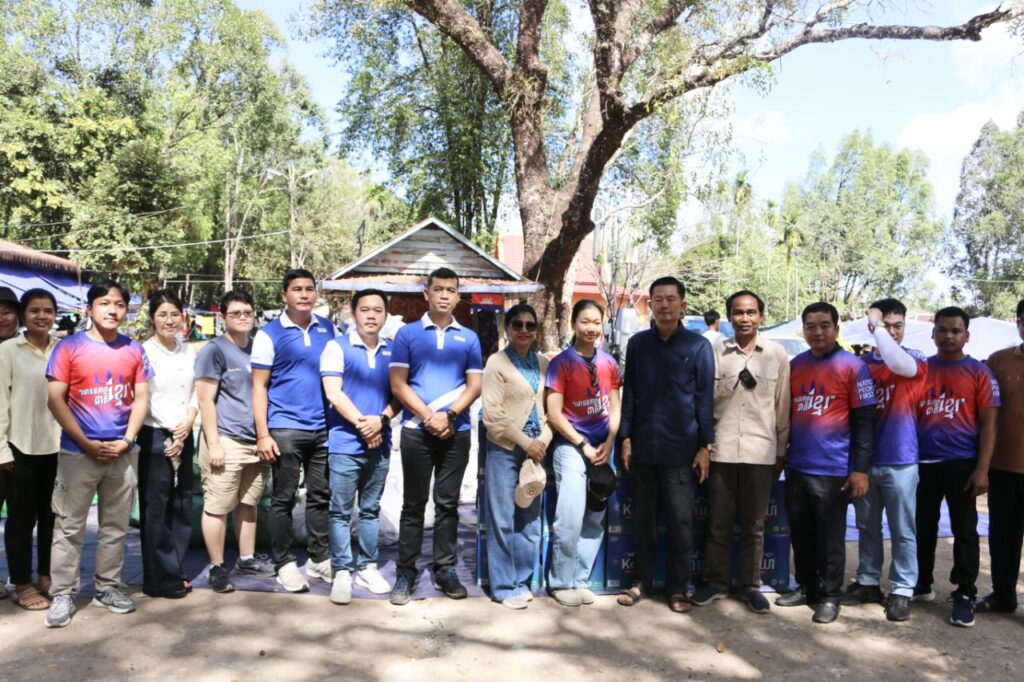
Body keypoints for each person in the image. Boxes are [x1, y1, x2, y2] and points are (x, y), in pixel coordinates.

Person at [44, 280, 153, 628]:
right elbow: (55, 400)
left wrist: (127, 440)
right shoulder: (68, 348)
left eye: (119, 304)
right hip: (78, 453)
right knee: (68, 526)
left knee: (115, 526)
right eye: (105, 303)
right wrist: (87, 443)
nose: (112, 310)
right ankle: (63, 593)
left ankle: (107, 587)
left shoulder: (134, 350)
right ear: (89, 309)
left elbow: (141, 398)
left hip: (122, 453)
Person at [617, 278, 713, 614]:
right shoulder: (638, 344)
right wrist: (626, 437)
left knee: (680, 524)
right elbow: (630, 393)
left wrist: (705, 446)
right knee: (643, 522)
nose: (664, 305)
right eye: (658, 299)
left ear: (682, 304)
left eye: (671, 299)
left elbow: (704, 400)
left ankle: (677, 588)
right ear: (651, 305)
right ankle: (641, 581)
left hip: (681, 451)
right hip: (643, 447)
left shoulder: (699, 346)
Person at [388, 267, 483, 605]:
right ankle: (406, 572)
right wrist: (429, 417)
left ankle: (445, 569)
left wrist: (450, 416)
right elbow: (398, 384)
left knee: (447, 504)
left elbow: (475, 385)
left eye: (451, 290)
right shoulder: (407, 335)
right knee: (413, 504)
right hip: (416, 431)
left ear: (458, 296)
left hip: (457, 433)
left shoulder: (469, 338)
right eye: (438, 289)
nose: (445, 295)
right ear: (426, 293)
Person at [776, 301, 874, 624]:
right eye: (810, 326)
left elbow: (864, 423)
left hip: (834, 470)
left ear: (836, 329)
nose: (817, 332)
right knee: (801, 533)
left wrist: (860, 470)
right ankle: (808, 587)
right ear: (803, 330)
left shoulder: (853, 367)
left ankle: (831, 596)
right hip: (798, 466)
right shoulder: (796, 365)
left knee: (830, 538)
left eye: (824, 325)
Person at [693, 289, 789, 614]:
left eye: (750, 312)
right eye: (738, 312)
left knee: (754, 526)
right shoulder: (714, 352)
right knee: (718, 523)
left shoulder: (777, 354)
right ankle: (715, 582)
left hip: (761, 454)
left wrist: (780, 454)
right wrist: (704, 447)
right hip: (720, 452)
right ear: (729, 317)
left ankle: (750, 586)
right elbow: (704, 403)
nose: (744, 318)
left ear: (761, 316)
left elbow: (782, 408)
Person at [841, 299, 928, 621]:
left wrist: (877, 325)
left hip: (900, 460)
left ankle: (902, 589)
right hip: (864, 463)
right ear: (872, 328)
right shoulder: (859, 365)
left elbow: (896, 362)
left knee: (903, 529)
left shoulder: (914, 359)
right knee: (866, 526)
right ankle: (867, 580)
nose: (892, 332)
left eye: (897, 326)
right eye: (886, 325)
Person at [252, 269, 337, 592]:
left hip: (323, 428)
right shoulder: (269, 334)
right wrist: (263, 434)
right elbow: (259, 387)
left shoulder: (328, 329)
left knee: (320, 497)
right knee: (283, 498)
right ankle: (285, 563)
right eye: (297, 289)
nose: (304, 294)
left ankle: (319, 558)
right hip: (285, 428)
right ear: (284, 295)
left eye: (309, 289)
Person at [915, 307, 999, 628]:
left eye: (955, 331)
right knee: (922, 525)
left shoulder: (980, 373)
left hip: (962, 464)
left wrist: (982, 469)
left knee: (965, 529)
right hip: (923, 463)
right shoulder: (920, 370)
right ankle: (921, 582)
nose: (948, 336)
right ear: (933, 333)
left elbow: (990, 425)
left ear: (966, 335)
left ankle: (964, 592)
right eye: (942, 330)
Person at [320, 288, 400, 605]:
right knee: (340, 511)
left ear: (386, 316)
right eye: (364, 309)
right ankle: (342, 569)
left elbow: (400, 394)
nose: (371, 315)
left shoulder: (394, 351)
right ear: (353, 313)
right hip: (345, 443)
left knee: (370, 509)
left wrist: (381, 420)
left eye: (378, 310)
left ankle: (368, 566)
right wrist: (364, 425)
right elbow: (334, 393)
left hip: (380, 443)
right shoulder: (336, 347)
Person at [546, 299, 622, 607]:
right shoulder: (561, 363)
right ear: (573, 324)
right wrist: (582, 445)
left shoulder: (609, 363)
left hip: (602, 448)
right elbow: (554, 413)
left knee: (595, 516)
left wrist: (610, 441)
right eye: (585, 321)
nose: (591, 328)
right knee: (570, 516)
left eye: (596, 322)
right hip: (571, 447)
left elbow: (615, 405)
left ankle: (580, 579)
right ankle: (561, 582)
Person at [195, 290, 272, 593]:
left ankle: (246, 559)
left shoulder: (259, 347)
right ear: (223, 317)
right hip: (226, 439)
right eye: (235, 313)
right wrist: (214, 443)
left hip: (257, 441)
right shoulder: (214, 350)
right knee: (217, 505)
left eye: (247, 312)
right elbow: (205, 399)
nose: (243, 317)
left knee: (248, 502)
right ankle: (216, 567)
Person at [481, 303, 552, 610]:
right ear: (507, 329)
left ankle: (522, 580)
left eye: (530, 325)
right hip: (505, 449)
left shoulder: (544, 363)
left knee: (529, 519)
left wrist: (541, 442)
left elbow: (552, 410)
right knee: (502, 519)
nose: (524, 330)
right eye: (517, 325)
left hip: (536, 452)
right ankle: (503, 586)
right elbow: (492, 415)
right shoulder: (496, 363)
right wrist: (526, 442)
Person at [0, 289, 60, 610]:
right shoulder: (8, 350)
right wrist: (2, 451)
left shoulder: (63, 349)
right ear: (24, 315)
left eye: (47, 310)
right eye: (34, 310)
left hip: (57, 446)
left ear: (55, 315)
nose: (41, 316)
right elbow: (0, 403)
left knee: (51, 517)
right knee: (21, 519)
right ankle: (22, 583)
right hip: (19, 446)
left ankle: (47, 576)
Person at [137, 290, 198, 599]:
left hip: (184, 432)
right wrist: (171, 432)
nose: (169, 320)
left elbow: (196, 392)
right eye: (162, 314)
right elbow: (142, 398)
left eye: (174, 314)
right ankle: (158, 580)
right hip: (155, 433)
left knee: (182, 504)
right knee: (156, 509)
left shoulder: (188, 351)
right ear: (153, 318)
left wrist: (187, 425)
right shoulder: (143, 352)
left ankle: (175, 570)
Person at [980, 298, 1024, 615]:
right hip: (1004, 466)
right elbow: (986, 415)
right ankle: (1003, 595)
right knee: (1002, 537)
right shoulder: (999, 361)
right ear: (1018, 322)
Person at [0, 284, 22, 588]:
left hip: (23, 447)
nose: (2, 318)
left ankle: (21, 579)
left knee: (21, 518)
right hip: (4, 449)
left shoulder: (26, 348)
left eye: (7, 312)